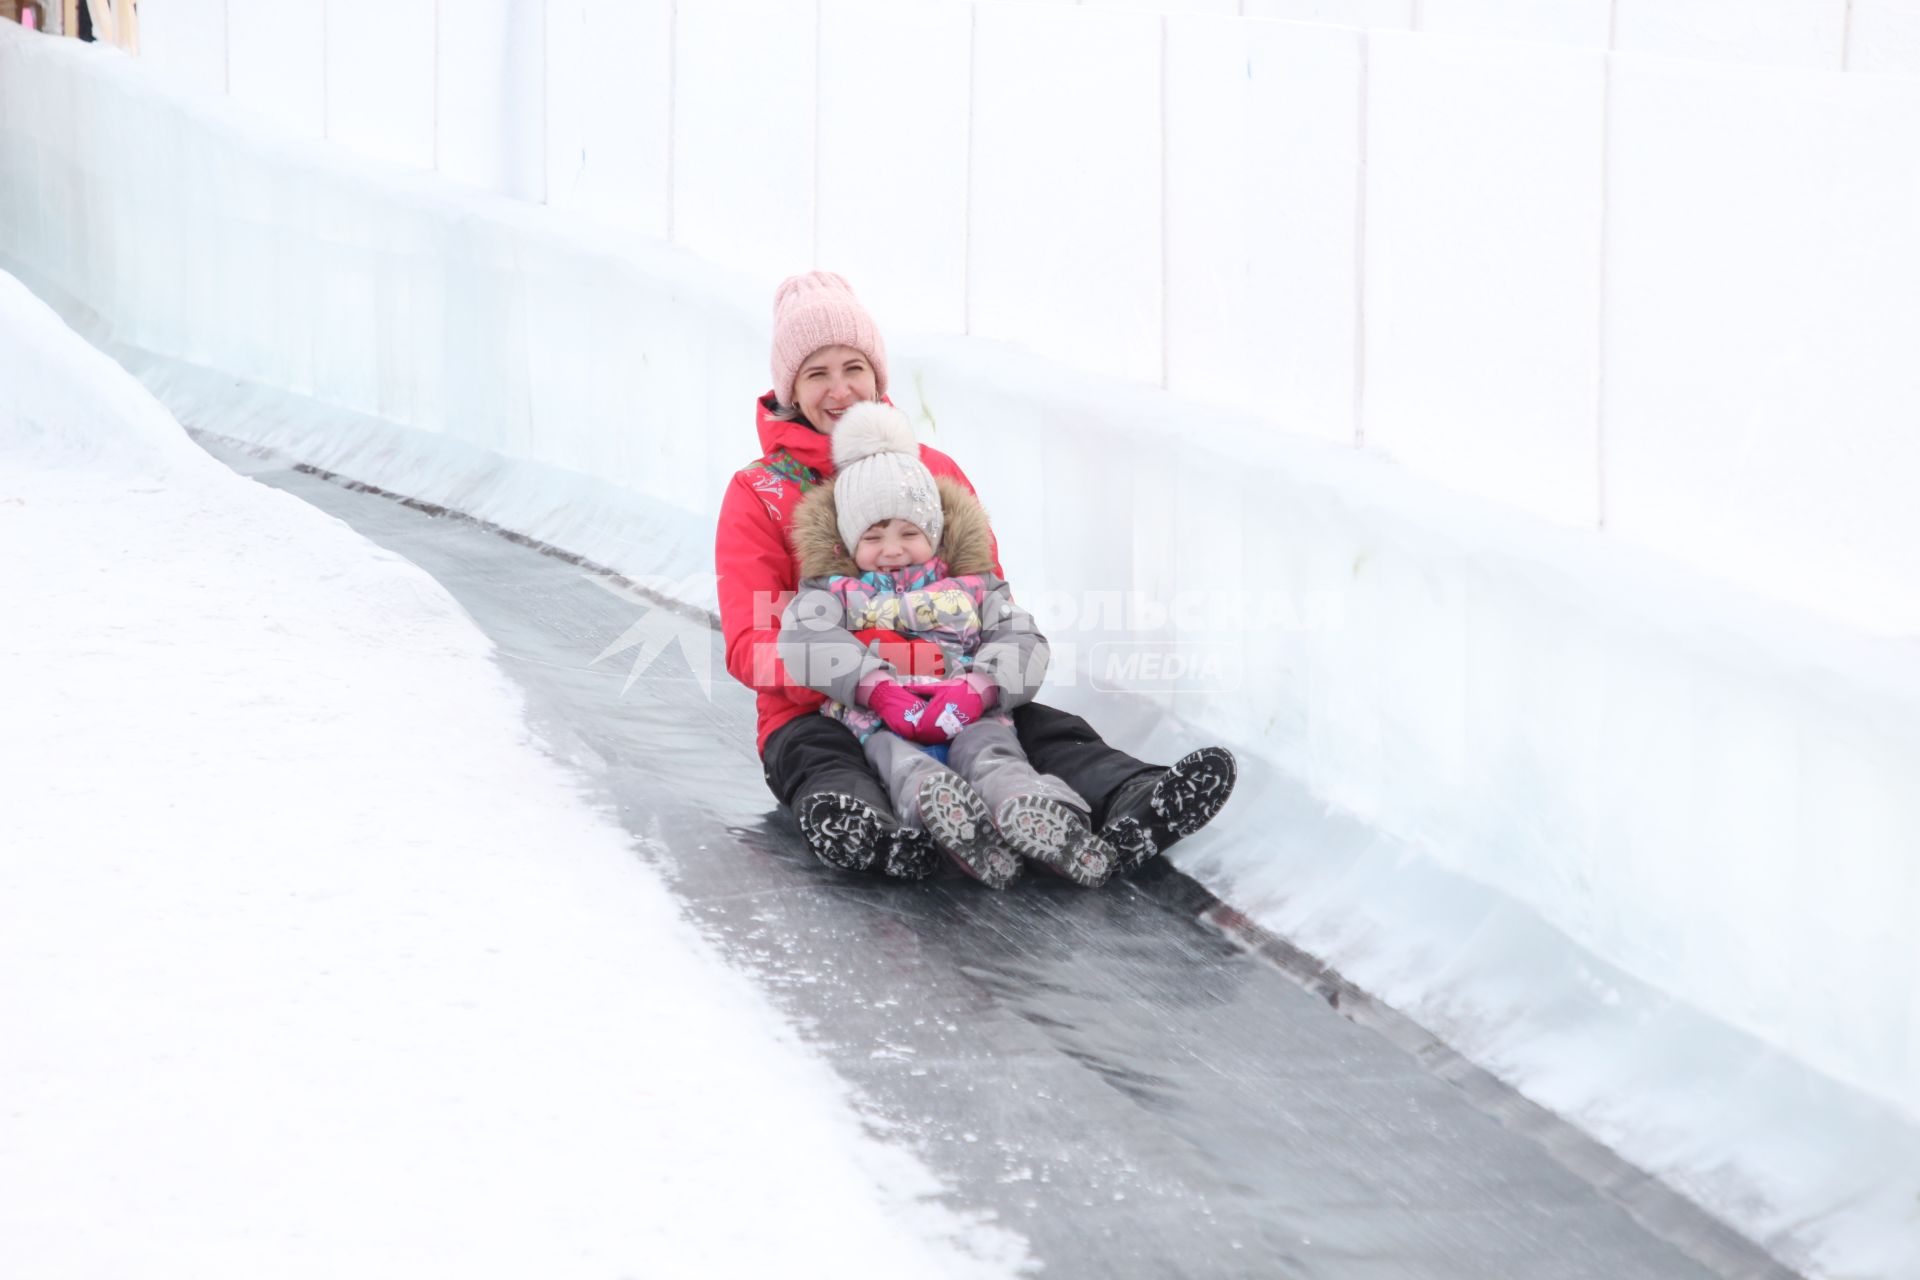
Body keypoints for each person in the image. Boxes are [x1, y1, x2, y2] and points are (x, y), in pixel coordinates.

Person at [714, 270, 1236, 880]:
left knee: (1044, 732)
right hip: (822, 707)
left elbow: (987, 602)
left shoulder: (932, 472)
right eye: (816, 373)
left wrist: (980, 681)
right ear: (790, 389)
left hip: (958, 692)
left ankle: (1132, 800)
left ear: (876, 375)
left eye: (852, 367)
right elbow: (753, 645)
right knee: (828, 759)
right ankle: (874, 833)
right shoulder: (761, 492)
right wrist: (886, 667)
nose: (839, 390)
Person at [778, 401, 1116, 891]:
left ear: (934, 536)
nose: (892, 549)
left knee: (995, 757)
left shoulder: (974, 588)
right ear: (849, 546)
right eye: (873, 537)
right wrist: (875, 689)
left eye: (908, 533)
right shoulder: (835, 592)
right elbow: (805, 636)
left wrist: (981, 686)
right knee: (901, 765)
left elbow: (1023, 638)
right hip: (885, 721)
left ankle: (1038, 815)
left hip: (969, 712)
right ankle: (945, 818)